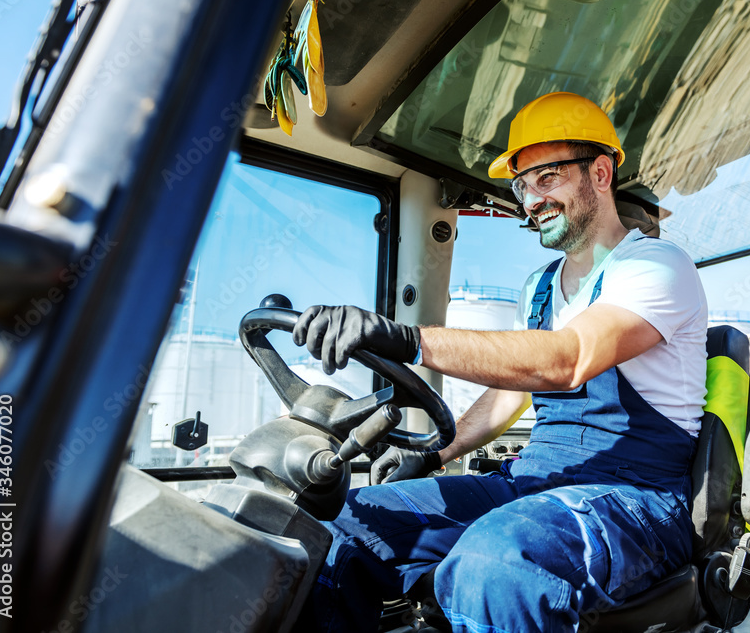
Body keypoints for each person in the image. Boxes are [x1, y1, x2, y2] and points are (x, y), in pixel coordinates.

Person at [295, 92, 708, 632]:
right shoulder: (537, 288)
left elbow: (568, 359)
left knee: (496, 562)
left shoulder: (656, 266)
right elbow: (512, 393)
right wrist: (435, 455)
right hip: (539, 480)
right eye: (522, 185)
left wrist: (406, 338)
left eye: (547, 177)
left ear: (601, 173)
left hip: (640, 497)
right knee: (345, 525)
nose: (530, 199)